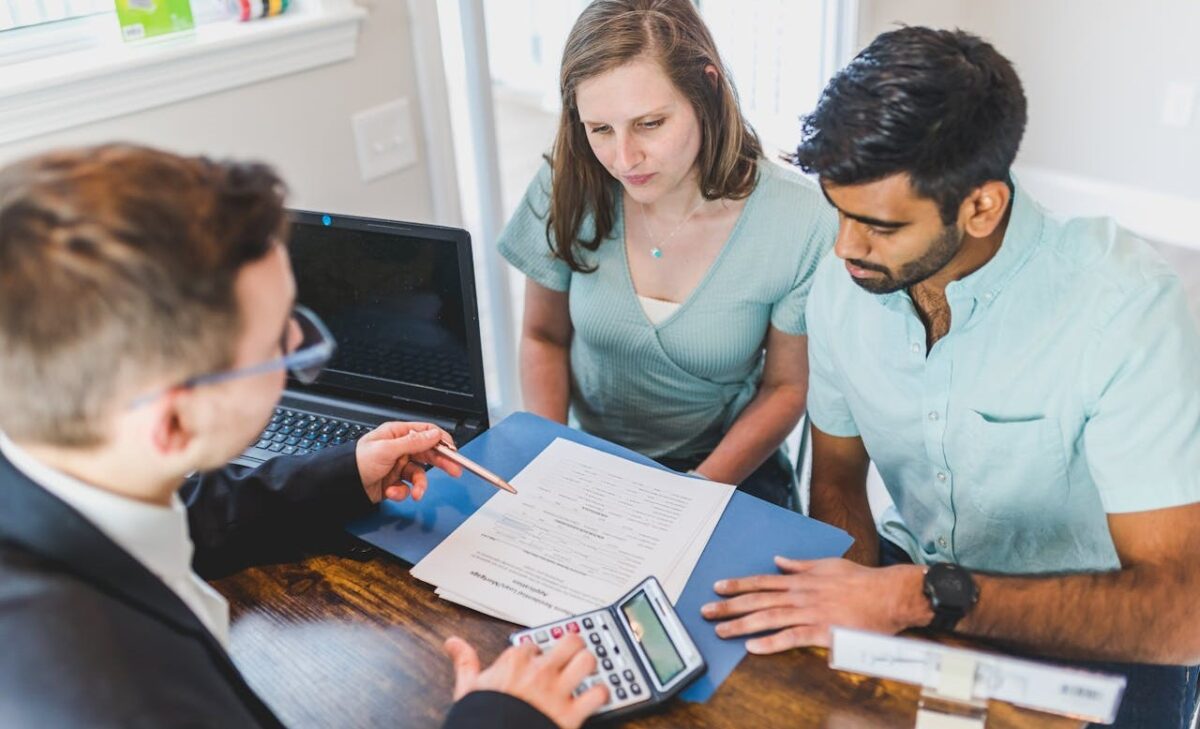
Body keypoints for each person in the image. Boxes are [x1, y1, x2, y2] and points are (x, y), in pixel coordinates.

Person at [0, 145, 607, 729]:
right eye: (276, 348)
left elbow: (194, 513)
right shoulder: (109, 696)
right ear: (172, 424)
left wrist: (346, 473)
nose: (300, 352)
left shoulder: (67, 471)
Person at [701, 27, 1200, 729]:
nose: (846, 246)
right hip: (916, 587)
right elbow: (839, 476)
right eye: (838, 212)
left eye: (878, 225)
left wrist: (913, 599)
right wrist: (849, 631)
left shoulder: (1123, 307)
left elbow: (1182, 613)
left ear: (981, 207)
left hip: (1100, 623)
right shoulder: (847, 281)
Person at [498, 0, 836, 506]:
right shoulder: (566, 183)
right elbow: (543, 335)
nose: (624, 159)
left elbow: (786, 387)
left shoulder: (799, 219)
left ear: (708, 87)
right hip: (585, 457)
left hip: (725, 467)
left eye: (650, 123)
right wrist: (554, 457)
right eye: (600, 130)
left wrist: (694, 493)